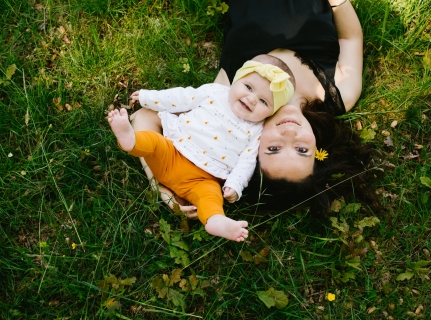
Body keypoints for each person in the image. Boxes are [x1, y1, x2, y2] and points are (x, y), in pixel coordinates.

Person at [131, 0, 374, 215]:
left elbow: (146, 115)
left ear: (254, 151)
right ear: (317, 149)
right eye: (301, 149)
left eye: (274, 148)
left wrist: (159, 183)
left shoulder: (230, 99)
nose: (289, 134)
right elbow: (350, 38)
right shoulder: (338, 92)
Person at [108, 60, 294, 241]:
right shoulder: (215, 92)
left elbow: (247, 161)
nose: (251, 99)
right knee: (155, 141)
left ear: (271, 111)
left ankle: (215, 220)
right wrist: (148, 97)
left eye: (263, 101)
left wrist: (235, 185)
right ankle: (131, 140)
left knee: (211, 196)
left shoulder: (256, 130)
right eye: (248, 87)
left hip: (204, 178)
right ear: (236, 80)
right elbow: (181, 97)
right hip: (173, 152)